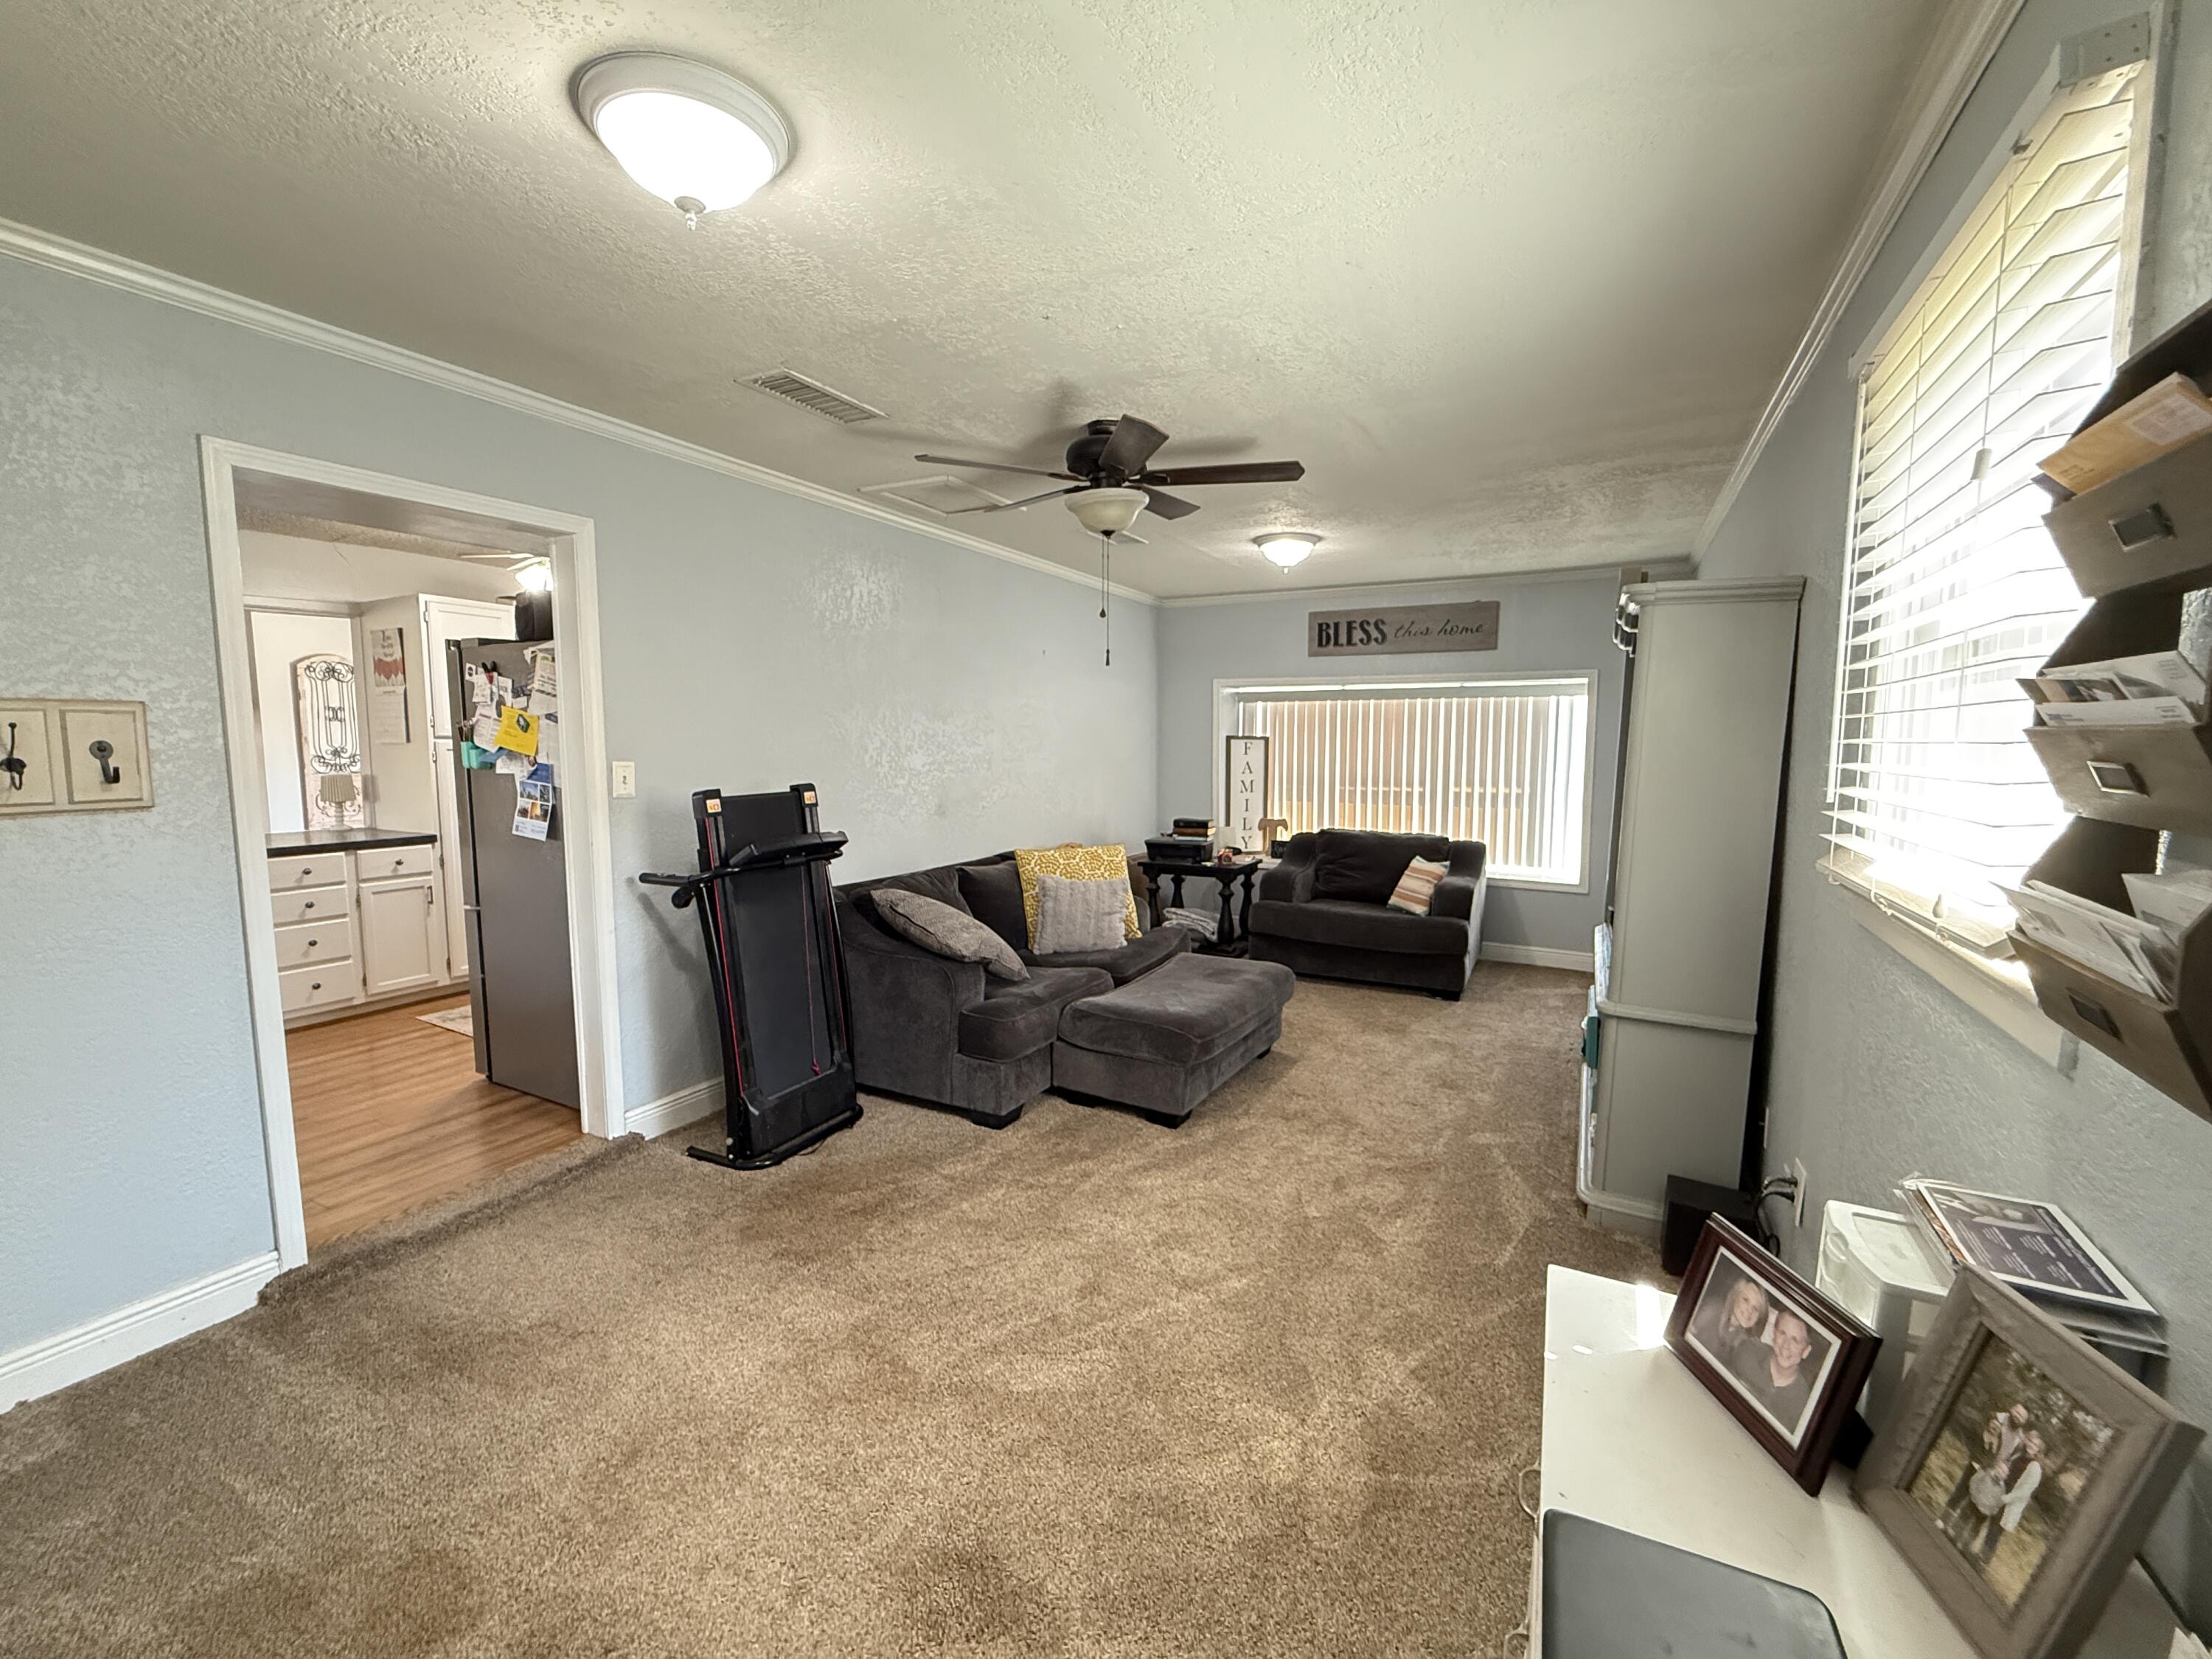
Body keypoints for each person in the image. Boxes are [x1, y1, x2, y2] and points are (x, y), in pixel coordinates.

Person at [1941, 1404, 2028, 1542]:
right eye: (2017, 1412)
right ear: (2012, 1409)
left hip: (1993, 1474)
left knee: (1976, 1504)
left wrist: (2002, 1470)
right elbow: (1981, 1436)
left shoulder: (2020, 1440)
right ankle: (1943, 1520)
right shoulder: (1996, 1418)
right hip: (1980, 1463)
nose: (2018, 1416)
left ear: (2024, 1421)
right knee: (1962, 1490)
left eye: (2022, 1416)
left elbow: (2011, 1460)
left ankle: (1955, 1533)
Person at [1727, 1308, 1818, 1435]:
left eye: (1795, 1340)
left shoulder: (1803, 1407)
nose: (1786, 1345)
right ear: (1774, 1334)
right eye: (1782, 1333)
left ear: (1806, 1351)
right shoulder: (1746, 1353)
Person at [1972, 1431, 2045, 1567]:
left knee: (1994, 1532)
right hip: (1998, 1492)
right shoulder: (2018, 1454)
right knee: (1981, 1516)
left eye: (2036, 1445)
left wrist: (2005, 1499)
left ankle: (1981, 1562)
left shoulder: (2035, 1468)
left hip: (2009, 1502)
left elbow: (2024, 1492)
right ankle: (1969, 1546)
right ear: (2026, 1441)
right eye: (2030, 1442)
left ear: (2039, 1450)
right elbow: (2004, 1468)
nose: (2032, 1446)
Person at [1696, 1273, 1770, 1370]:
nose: (1749, 1311)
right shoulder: (1712, 1310)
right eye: (1746, 1300)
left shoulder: (1745, 1343)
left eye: (1756, 1308)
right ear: (1735, 1296)